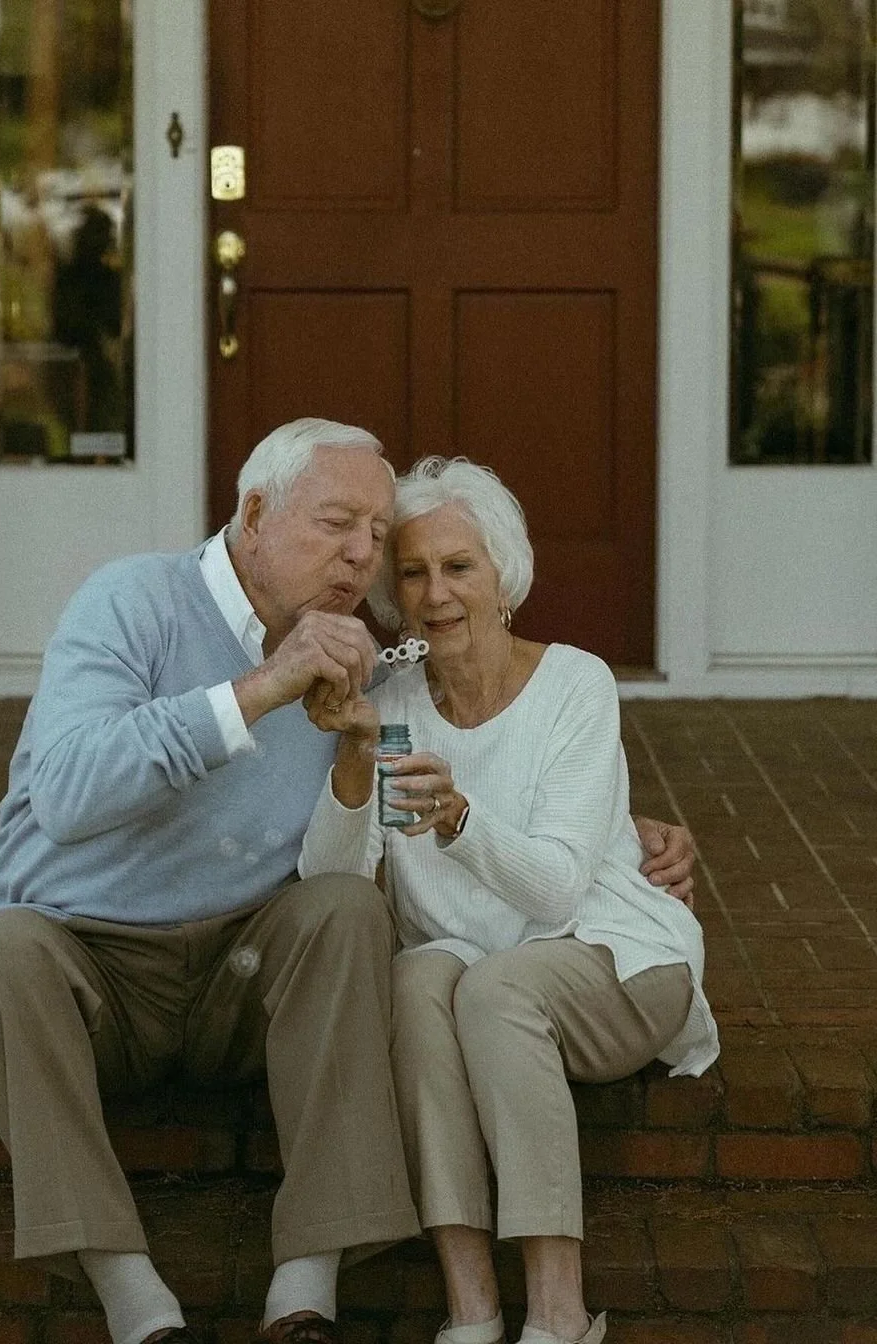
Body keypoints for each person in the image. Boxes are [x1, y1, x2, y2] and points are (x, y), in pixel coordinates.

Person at [0, 420, 695, 1344]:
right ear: (255, 512)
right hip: (90, 967)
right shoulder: (133, 603)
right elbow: (64, 794)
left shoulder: (359, 672)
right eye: (340, 524)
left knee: (345, 912)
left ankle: (306, 1290)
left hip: (241, 973)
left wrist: (636, 829)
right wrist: (262, 690)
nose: (361, 558)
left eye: (376, 535)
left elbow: (506, 740)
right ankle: (133, 1297)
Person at [298, 457, 719, 1344]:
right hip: (475, 969)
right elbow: (332, 884)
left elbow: (560, 886)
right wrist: (349, 758)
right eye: (411, 573)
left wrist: (457, 818)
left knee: (493, 988)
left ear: (504, 579)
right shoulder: (393, 702)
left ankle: (560, 1314)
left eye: (459, 568)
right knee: (415, 983)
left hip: (613, 956)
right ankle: (473, 1309)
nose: (435, 593)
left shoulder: (575, 683)